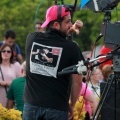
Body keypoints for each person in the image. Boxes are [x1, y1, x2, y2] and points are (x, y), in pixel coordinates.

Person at [23, 5, 84, 120]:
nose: (71, 25)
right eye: (68, 22)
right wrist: (71, 104)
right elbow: (78, 83)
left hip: (31, 106)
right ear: (56, 24)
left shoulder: (32, 38)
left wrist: (69, 29)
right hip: (57, 108)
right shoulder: (72, 48)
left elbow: (55, 36)